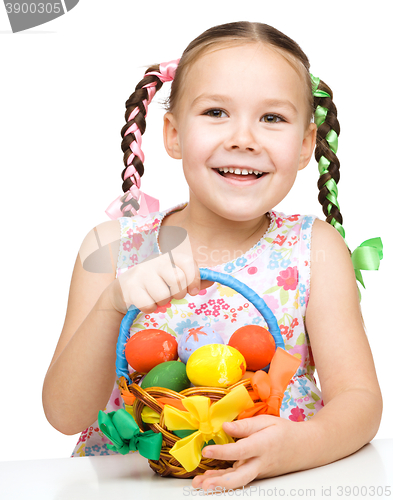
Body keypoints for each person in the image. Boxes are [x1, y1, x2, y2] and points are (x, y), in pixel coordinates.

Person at [42, 21, 383, 491]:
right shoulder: (112, 249)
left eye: (273, 118)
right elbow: (65, 414)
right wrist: (112, 303)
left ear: (306, 145)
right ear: (174, 134)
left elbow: (361, 401)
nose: (243, 138)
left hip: (278, 487)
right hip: (131, 486)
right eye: (217, 111)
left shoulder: (314, 248)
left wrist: (298, 447)